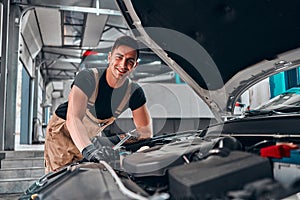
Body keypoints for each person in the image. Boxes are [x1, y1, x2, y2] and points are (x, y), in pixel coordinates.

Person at [44, 36, 153, 173]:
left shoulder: (134, 92)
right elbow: (74, 119)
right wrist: (90, 151)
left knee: (86, 176)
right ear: (109, 57)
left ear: (135, 65)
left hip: (89, 137)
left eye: (130, 61)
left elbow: (145, 131)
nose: (123, 65)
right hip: (62, 132)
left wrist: (109, 141)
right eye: (119, 57)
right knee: (60, 178)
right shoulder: (87, 78)